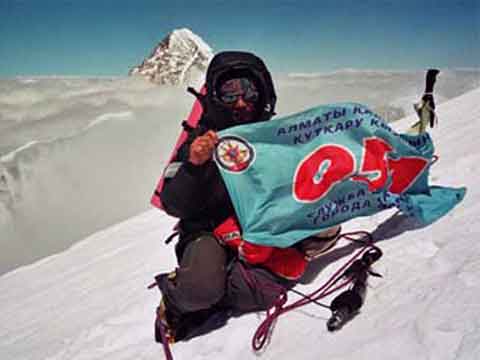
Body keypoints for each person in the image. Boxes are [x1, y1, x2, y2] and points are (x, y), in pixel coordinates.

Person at [154, 51, 341, 343]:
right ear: (215, 96)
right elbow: (173, 203)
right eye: (229, 94)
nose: (241, 102)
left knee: (323, 230)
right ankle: (179, 299)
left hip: (257, 222)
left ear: (263, 92)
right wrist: (194, 166)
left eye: (249, 91)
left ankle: (228, 278)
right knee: (201, 290)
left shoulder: (272, 136)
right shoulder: (200, 141)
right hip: (208, 231)